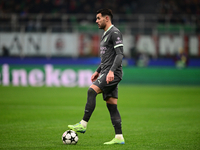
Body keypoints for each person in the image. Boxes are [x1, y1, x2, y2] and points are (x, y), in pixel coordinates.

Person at [68, 8, 125, 145]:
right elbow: (107, 58)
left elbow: (119, 55)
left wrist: (111, 71)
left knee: (91, 91)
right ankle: (119, 137)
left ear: (107, 18)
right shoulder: (105, 34)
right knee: (112, 106)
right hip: (106, 72)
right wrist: (98, 70)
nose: (96, 21)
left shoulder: (115, 32)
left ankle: (83, 124)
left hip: (112, 73)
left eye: (98, 18)